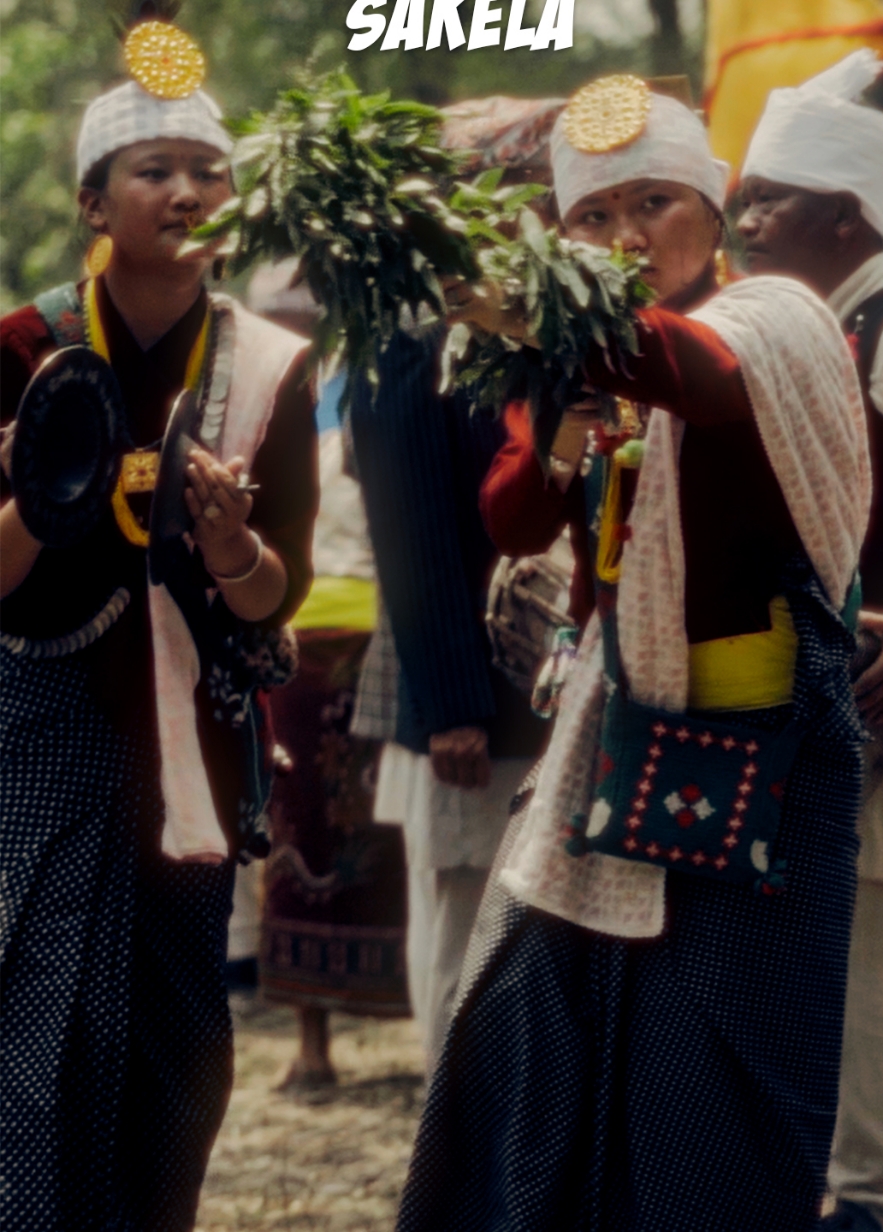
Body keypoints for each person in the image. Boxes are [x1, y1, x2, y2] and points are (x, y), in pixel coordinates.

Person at [397, 76, 870, 1232]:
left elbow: (691, 376)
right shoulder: (572, 355)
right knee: (535, 1023)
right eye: (594, 218)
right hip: (615, 745)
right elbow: (511, 517)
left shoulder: (772, 322)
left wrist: (535, 310)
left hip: (763, 754)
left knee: (719, 1062)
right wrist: (555, 432)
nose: (624, 236)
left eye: (653, 201)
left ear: (717, 211)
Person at [0, 21, 317, 1231]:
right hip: (46, 733)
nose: (188, 192)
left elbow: (271, 595)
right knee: (42, 1029)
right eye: (154, 170)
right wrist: (41, 488)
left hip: (193, 746)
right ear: (93, 199)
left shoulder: (272, 366)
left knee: (180, 1039)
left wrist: (233, 546)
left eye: (211, 169)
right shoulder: (25, 348)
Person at [738, 50, 883, 1232]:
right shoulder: (811, 337)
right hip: (846, 699)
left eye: (769, 199)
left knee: (880, 972)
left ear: (848, 216)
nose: (743, 220)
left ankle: (881, 1205)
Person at [348, 100, 560, 1076]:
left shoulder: (528, 325)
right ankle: (455, 1139)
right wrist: (452, 708)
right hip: (458, 692)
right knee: (465, 914)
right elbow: (411, 529)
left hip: (528, 677)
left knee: (518, 923)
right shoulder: (412, 332)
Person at [248, 261, 411, 1087]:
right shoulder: (255, 404)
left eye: (306, 313)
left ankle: (417, 1027)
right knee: (297, 830)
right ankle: (310, 1043)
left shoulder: (374, 390)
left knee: (390, 830)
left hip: (378, 636)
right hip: (291, 645)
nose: (294, 326)